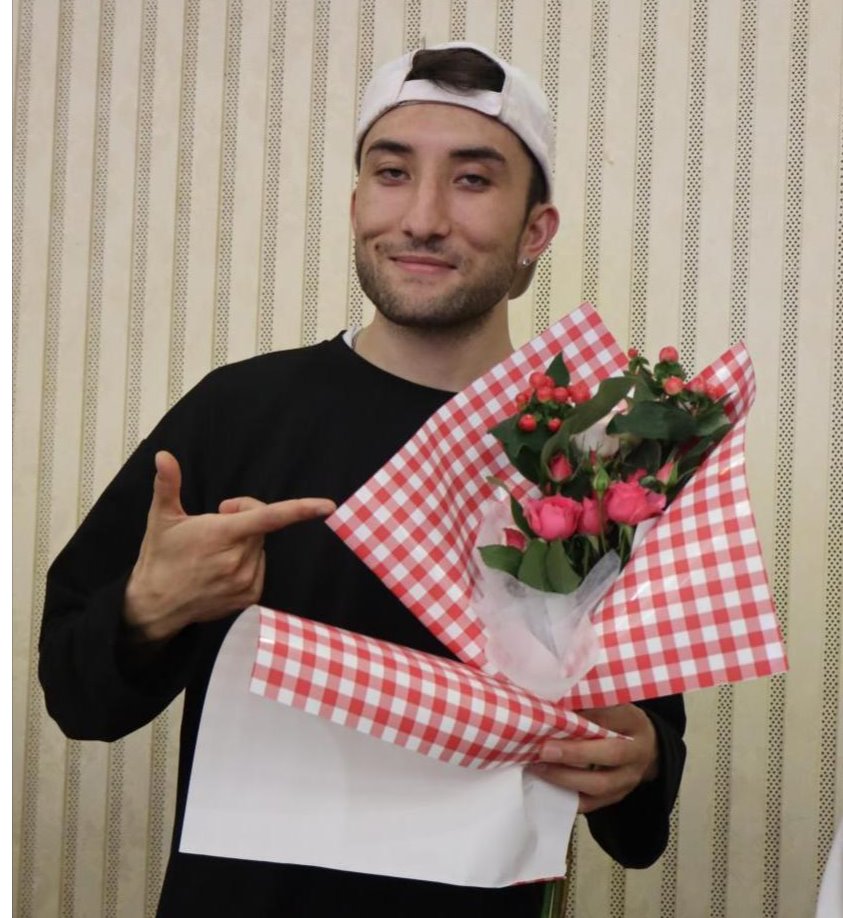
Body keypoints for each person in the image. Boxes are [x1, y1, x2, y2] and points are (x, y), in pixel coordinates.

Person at [39, 42, 685, 917]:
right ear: (355, 206)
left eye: (471, 180)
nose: (421, 217)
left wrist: (639, 759)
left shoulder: (596, 459)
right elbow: (74, 697)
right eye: (391, 173)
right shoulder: (238, 412)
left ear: (535, 231)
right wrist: (146, 612)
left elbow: (641, 801)